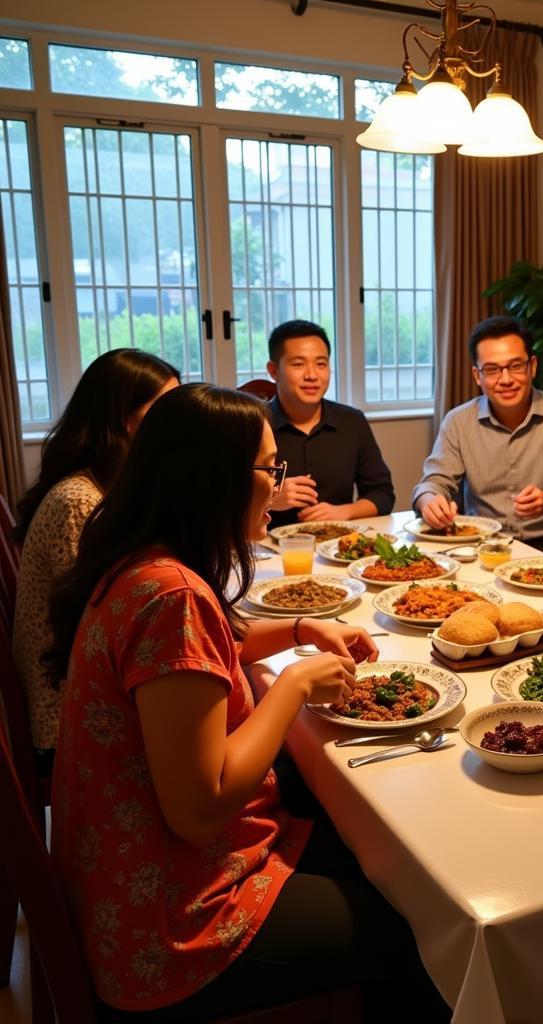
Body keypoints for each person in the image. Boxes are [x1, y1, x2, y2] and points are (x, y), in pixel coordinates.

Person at [46, 384, 446, 1020]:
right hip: (170, 921)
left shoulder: (140, 560)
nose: (278, 481)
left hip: (125, 877)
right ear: (215, 480)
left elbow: (195, 657)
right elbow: (200, 811)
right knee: (424, 929)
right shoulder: (171, 597)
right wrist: (290, 685)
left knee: (378, 852)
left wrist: (295, 630)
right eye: (270, 467)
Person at [12, 348, 179, 770]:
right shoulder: (78, 500)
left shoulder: (107, 485)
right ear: (124, 418)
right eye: (164, 410)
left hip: (89, 690)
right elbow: (103, 626)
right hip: (68, 717)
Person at [412, 316, 543, 555]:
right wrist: (429, 502)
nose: (506, 379)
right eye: (492, 370)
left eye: (516, 366)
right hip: (480, 547)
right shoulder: (458, 421)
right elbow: (433, 483)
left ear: (533, 366)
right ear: (478, 376)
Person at [266, 319, 395, 529]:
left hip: (338, 548)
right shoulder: (253, 426)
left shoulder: (352, 421)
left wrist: (344, 512)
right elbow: (224, 502)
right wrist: (269, 499)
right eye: (298, 364)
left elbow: (382, 494)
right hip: (269, 551)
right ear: (274, 371)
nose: (312, 375)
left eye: (321, 364)